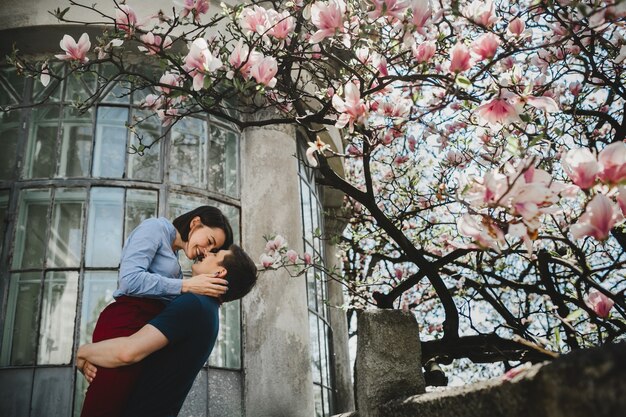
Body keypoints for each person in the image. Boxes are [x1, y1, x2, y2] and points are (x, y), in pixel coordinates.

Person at [79, 206, 234, 417]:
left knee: (115, 404)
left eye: (213, 250)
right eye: (209, 241)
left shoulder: (176, 265)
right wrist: (185, 286)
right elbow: (130, 280)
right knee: (103, 407)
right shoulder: (155, 229)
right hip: (126, 321)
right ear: (195, 223)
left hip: (138, 333)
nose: (205, 251)